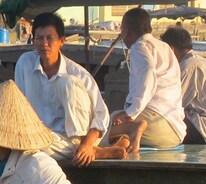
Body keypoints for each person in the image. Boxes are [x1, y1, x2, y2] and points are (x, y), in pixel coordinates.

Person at [15, 12, 130, 165]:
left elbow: (101, 116)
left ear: (61, 41)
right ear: (33, 40)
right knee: (25, 147)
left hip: (81, 137)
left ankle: (85, 148)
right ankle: (95, 152)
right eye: (39, 38)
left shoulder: (79, 74)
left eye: (49, 38)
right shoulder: (25, 63)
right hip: (46, 139)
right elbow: (18, 105)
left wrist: (87, 144)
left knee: (67, 83)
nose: (44, 44)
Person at [108, 7, 186, 152]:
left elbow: (148, 74)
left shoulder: (139, 46)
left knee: (106, 124)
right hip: (175, 131)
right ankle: (129, 139)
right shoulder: (165, 47)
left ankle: (135, 128)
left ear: (126, 31)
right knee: (120, 134)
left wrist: (130, 113)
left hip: (158, 124)